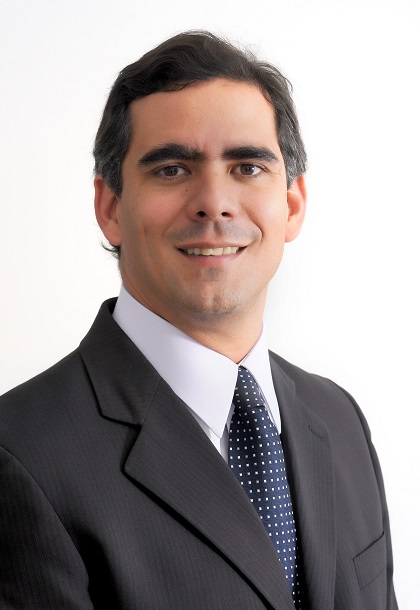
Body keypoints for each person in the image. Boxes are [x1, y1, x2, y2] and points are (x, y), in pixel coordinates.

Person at [0, 31, 397, 609]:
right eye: (172, 170)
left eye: (247, 167)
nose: (214, 200)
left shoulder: (338, 419)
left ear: (292, 205)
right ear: (110, 208)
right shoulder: (19, 455)